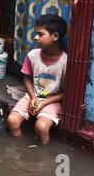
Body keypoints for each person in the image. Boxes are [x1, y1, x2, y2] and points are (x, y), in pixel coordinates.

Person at [7, 14, 68, 145]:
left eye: (40, 34)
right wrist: (33, 97)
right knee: (12, 121)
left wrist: (44, 103)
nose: (36, 38)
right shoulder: (32, 56)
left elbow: (66, 92)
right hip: (32, 96)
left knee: (41, 127)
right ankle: (18, 149)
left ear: (55, 37)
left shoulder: (65, 62)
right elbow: (27, 78)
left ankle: (42, 159)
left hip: (53, 100)